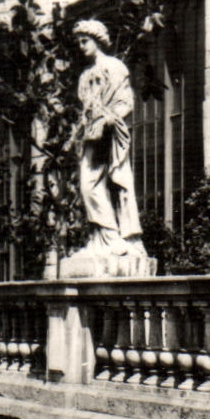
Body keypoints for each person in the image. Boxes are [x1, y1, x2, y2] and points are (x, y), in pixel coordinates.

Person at [71, 19, 145, 257]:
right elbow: (86, 108)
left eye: (85, 41)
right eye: (79, 42)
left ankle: (118, 238)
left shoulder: (114, 66)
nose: (81, 46)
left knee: (114, 183)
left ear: (97, 40)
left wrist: (109, 119)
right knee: (88, 186)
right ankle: (103, 238)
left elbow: (126, 101)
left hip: (110, 135)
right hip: (92, 137)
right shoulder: (85, 75)